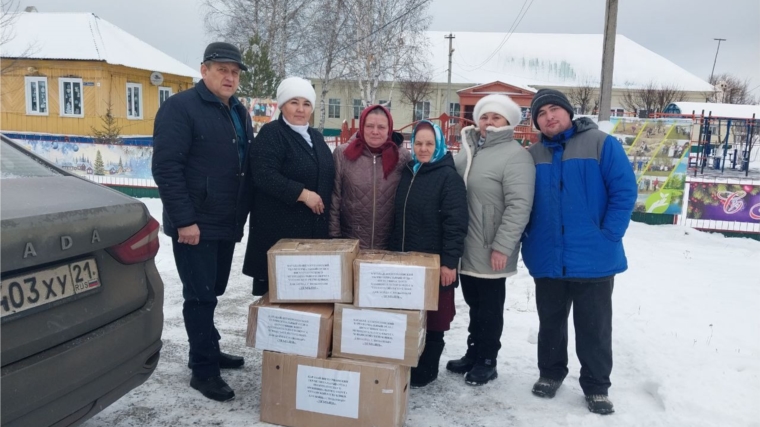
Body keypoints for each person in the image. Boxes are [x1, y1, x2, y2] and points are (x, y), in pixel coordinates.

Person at [521, 89, 637, 415]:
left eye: (554, 109)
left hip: (594, 257)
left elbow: (624, 190)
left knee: (594, 326)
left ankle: (597, 386)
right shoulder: (532, 154)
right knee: (551, 322)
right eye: (541, 114)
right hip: (547, 256)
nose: (549, 117)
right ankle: (551, 372)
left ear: (569, 112)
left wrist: (609, 235)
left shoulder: (601, 143)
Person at [152, 42, 254, 402]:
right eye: (222, 69)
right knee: (200, 297)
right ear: (204, 69)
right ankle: (204, 371)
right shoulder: (180, 108)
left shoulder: (238, 111)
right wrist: (184, 221)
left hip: (225, 221)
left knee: (215, 291)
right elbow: (167, 168)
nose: (229, 77)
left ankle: (208, 348)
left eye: (235, 71)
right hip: (195, 225)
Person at [447, 94, 536, 386]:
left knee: (489, 306)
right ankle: (474, 353)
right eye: (484, 116)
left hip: (491, 246)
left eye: (496, 117)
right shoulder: (469, 150)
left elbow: (519, 205)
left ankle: (487, 359)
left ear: (508, 122)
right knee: (474, 304)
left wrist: (503, 245)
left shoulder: (515, 155)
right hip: (466, 244)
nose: (488, 122)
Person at [388, 120, 468, 388]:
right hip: (406, 261)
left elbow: (455, 224)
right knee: (410, 315)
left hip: (435, 263)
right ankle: (410, 359)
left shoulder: (448, 176)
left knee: (435, 317)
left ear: (440, 145)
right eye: (418, 143)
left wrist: (449, 263)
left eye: (429, 143)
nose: (423, 149)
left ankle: (428, 367)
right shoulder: (410, 171)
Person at [242, 77, 335, 296]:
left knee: (309, 300)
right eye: (294, 102)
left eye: (306, 103)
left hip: (312, 233)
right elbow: (263, 174)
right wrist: (302, 194)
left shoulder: (316, 137)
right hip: (280, 232)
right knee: (280, 299)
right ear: (282, 105)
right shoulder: (272, 134)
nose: (301, 109)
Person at [329, 105, 411, 249]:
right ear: (361, 127)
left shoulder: (401, 156)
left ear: (389, 129)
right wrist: (335, 237)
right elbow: (335, 198)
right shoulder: (343, 154)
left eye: (381, 127)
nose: (375, 131)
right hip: (351, 244)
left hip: (389, 245)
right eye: (369, 126)